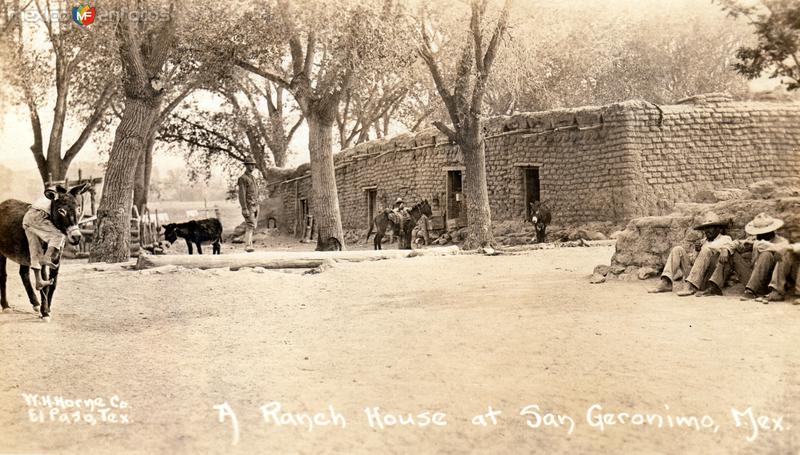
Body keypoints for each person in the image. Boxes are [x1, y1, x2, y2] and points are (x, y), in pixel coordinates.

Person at [649, 212, 733, 296]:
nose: (707, 231)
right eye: (705, 228)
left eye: (710, 228)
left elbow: (730, 247)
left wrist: (704, 249)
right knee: (677, 249)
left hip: (708, 279)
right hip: (695, 275)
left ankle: (691, 287)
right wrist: (696, 251)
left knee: (706, 250)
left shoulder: (725, 239)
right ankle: (666, 281)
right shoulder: (703, 241)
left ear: (718, 228)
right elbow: (693, 261)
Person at [730, 213, 789, 300]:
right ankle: (751, 288)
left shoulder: (781, 241)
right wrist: (728, 248)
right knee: (731, 254)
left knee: (766, 254)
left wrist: (769, 247)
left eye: (763, 233)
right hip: (752, 278)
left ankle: (751, 291)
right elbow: (737, 244)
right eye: (758, 233)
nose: (759, 235)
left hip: (768, 282)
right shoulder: (756, 239)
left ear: (771, 231)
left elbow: (785, 249)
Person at [22, 186, 65, 290]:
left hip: (27, 219)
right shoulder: (55, 198)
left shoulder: (43, 199)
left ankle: (39, 281)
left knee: (35, 249)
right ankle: (47, 257)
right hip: (38, 216)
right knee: (59, 234)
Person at [237, 158, 260, 253]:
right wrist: (244, 208)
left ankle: (250, 245)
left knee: (253, 225)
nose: (253, 166)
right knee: (250, 225)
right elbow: (242, 194)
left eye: (254, 165)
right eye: (250, 164)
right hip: (249, 206)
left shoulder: (253, 178)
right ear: (246, 166)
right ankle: (247, 246)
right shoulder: (242, 178)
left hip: (256, 205)